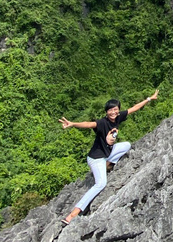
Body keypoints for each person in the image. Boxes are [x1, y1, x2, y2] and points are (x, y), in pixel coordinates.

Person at [58, 89, 159, 225]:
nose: (113, 112)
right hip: (96, 158)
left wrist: (149, 99)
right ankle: (72, 214)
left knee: (126, 145)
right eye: (110, 110)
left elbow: (134, 108)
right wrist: (73, 124)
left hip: (107, 154)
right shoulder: (102, 123)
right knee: (100, 184)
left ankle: (108, 164)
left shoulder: (118, 117)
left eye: (115, 109)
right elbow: (89, 124)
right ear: (106, 111)